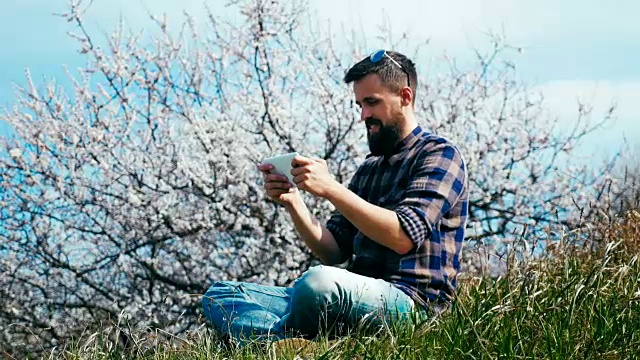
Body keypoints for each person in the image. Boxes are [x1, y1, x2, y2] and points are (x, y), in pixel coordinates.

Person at [201, 49, 469, 343]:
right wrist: (294, 202)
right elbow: (334, 250)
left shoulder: (440, 155)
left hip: (412, 305)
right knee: (220, 295)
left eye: (372, 103)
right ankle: (285, 343)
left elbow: (402, 236)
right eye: (359, 105)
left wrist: (331, 188)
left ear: (405, 97)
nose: (364, 115)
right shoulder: (369, 169)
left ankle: (279, 340)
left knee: (317, 283)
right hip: (351, 297)